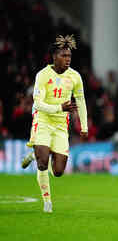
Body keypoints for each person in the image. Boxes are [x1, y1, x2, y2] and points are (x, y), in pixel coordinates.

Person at [21, 35, 88, 213]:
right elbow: (37, 104)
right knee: (43, 163)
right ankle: (47, 202)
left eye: (69, 56)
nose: (67, 59)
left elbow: (80, 101)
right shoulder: (42, 75)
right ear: (54, 56)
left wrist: (84, 126)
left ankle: (36, 154)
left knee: (58, 171)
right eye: (64, 56)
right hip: (42, 120)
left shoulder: (75, 77)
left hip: (60, 126)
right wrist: (59, 107)